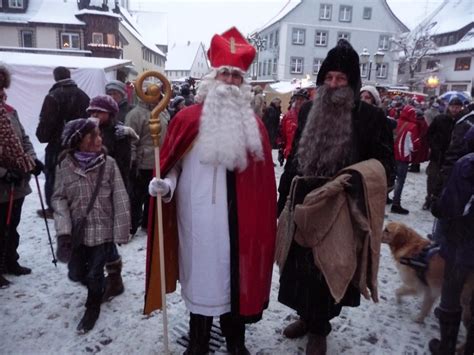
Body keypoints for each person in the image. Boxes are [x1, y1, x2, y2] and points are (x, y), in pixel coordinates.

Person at [147, 26, 276, 354]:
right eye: (225, 74)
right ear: (212, 78)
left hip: (240, 228)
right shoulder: (187, 119)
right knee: (202, 282)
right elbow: (172, 165)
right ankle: (199, 341)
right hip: (198, 222)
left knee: (236, 283)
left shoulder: (254, 126)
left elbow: (261, 185)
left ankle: (236, 341)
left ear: (243, 82)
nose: (231, 81)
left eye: (236, 76)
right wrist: (166, 184)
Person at [276, 39, 395, 354]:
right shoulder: (308, 112)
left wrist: (354, 183)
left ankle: (320, 328)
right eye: (328, 78)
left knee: (328, 269)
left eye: (340, 79)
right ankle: (305, 317)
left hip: (340, 205)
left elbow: (385, 167)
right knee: (299, 268)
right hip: (303, 200)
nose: (333, 85)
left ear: (352, 82)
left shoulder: (371, 119)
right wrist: (282, 197)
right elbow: (294, 158)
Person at [52, 118, 130, 333]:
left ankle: (92, 307)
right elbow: (59, 198)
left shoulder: (108, 164)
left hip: (102, 230)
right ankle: (109, 284)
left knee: (94, 273)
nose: (99, 139)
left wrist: (121, 230)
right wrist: (64, 229)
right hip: (78, 231)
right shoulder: (65, 166)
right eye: (93, 135)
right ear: (78, 141)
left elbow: (120, 197)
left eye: (99, 134)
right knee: (76, 273)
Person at [428, 126, 474, 355]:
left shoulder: (467, 164)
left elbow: (451, 206)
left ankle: (446, 347)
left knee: (452, 293)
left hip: (462, 243)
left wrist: (437, 205)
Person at [0, 84, 43, 287]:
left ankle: (10, 261)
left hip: (17, 181)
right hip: (4, 180)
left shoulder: (10, 111)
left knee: (12, 224)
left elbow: (24, 139)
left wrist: (32, 161)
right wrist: (3, 173)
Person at [35, 66, 90, 219]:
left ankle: (54, 209)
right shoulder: (83, 96)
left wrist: (42, 135)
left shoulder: (53, 97)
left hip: (57, 146)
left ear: (55, 77)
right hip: (79, 146)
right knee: (76, 176)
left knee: (53, 176)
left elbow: (46, 125)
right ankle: (74, 205)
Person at [125, 87, 169, 235]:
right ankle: (131, 226)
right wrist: (132, 161)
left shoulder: (161, 111)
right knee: (137, 196)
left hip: (158, 161)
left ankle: (147, 223)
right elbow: (130, 140)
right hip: (142, 162)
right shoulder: (136, 114)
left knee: (152, 196)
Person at [424, 96, 464, 210]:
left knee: (447, 180)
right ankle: (429, 199)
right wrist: (434, 146)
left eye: (457, 107)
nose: (455, 109)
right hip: (437, 155)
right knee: (432, 178)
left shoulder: (461, 122)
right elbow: (430, 134)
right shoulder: (440, 119)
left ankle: (440, 200)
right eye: (453, 107)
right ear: (449, 107)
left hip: (452, 156)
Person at [390, 105, 421, 214]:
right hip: (403, 156)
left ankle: (385, 197)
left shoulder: (396, 122)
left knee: (390, 177)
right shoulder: (412, 126)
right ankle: (396, 203)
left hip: (392, 155)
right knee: (400, 180)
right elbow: (415, 145)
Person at [276, 89, 309, 165]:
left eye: (302, 99)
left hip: (307, 155)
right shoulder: (288, 116)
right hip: (290, 154)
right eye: (297, 99)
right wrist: (281, 149)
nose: (299, 102)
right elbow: (281, 134)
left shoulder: (311, 116)